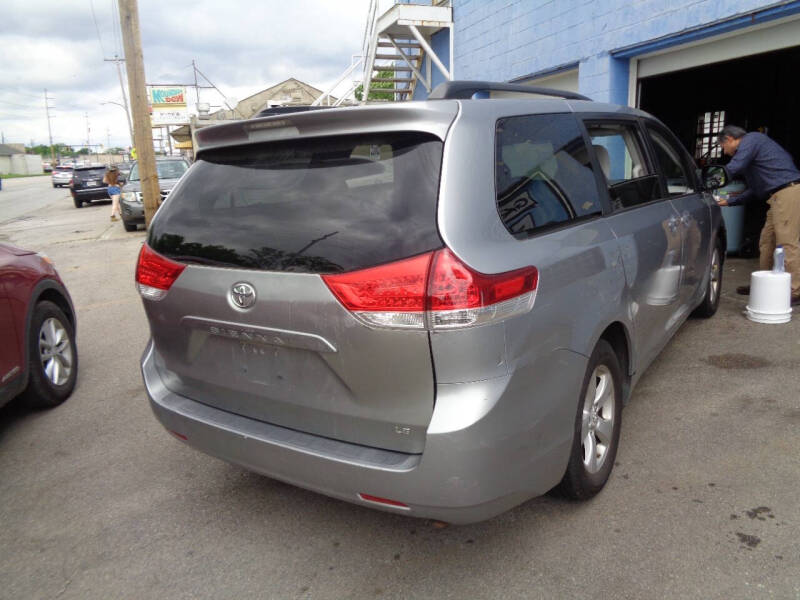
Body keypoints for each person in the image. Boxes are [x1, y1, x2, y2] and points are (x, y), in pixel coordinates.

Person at [715, 125, 800, 305]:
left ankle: (795, 290)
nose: (725, 151)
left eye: (723, 147)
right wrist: (729, 201)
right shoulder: (754, 159)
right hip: (775, 197)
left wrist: (713, 178)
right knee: (766, 241)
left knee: (787, 242)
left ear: (729, 139)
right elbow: (755, 190)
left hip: (787, 193)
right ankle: (764, 284)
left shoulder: (752, 139)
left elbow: (733, 167)